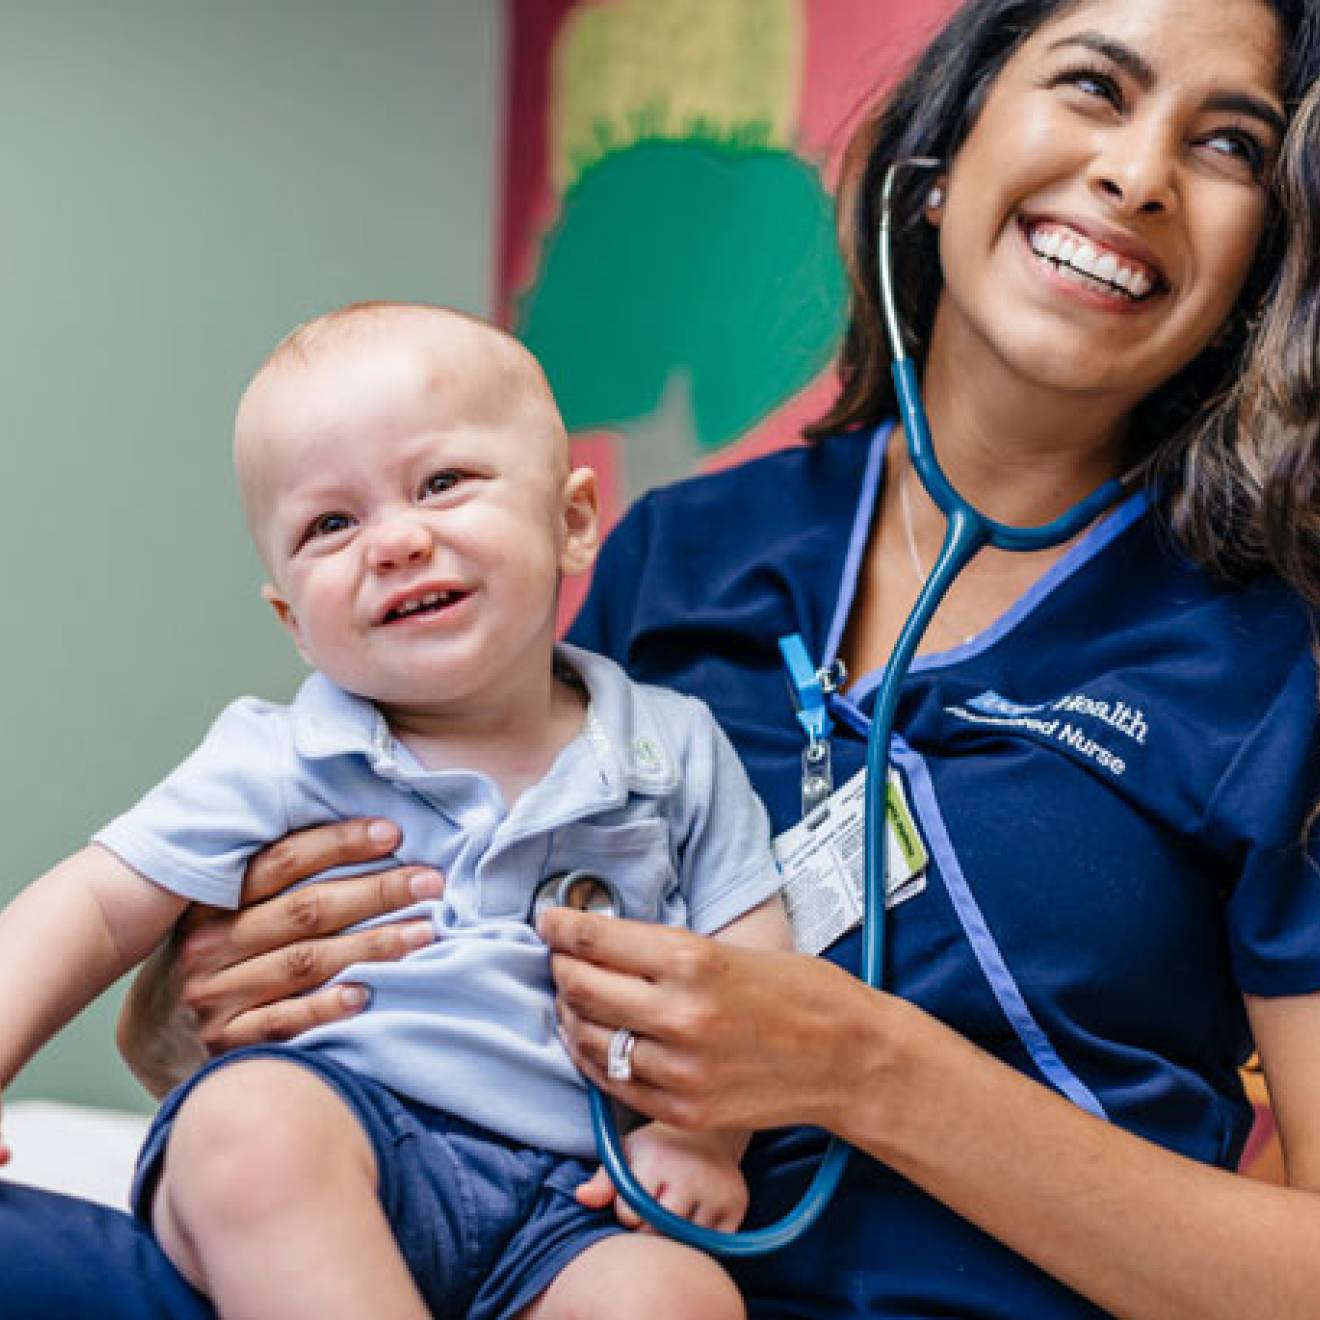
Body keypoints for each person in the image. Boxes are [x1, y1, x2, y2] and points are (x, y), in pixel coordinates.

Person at [3, 0, 1320, 1316]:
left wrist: (863, 1070)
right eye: (1094, 86)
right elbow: (351, 950)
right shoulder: (682, 550)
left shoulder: (1274, 658)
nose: (1138, 175)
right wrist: (209, 998)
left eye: (1229, 146)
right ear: (942, 160)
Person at [0, 303, 790, 1320]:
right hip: (341, 1132)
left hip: (576, 1197)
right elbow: (93, 907)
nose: (398, 541)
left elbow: (756, 970)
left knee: (680, 1297)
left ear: (573, 519)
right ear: (292, 620)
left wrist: (702, 1137)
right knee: (248, 1131)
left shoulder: (671, 746)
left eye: (443, 483)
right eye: (332, 525)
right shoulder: (281, 754)